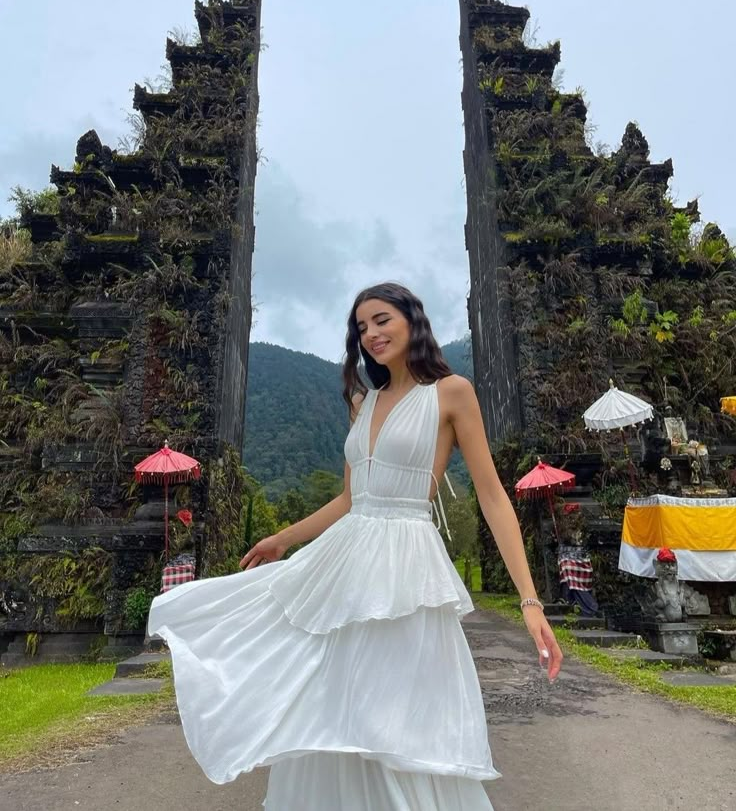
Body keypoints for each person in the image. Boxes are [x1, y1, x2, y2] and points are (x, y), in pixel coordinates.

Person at [147, 281, 563, 810]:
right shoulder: (362, 403)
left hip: (406, 568)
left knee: (396, 713)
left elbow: (493, 498)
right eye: (361, 327)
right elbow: (349, 498)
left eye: (382, 319)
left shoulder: (451, 392)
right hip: (345, 563)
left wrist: (529, 601)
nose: (371, 334)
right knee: (332, 702)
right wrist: (283, 537)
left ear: (413, 319)